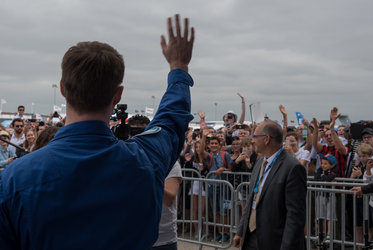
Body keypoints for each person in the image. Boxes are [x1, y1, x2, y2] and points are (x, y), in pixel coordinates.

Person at [0, 14, 195, 249]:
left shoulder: (13, 180)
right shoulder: (145, 161)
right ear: (118, 95)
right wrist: (179, 67)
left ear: (62, 89)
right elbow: (172, 120)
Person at [233, 120, 306, 250]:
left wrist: (287, 246)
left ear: (266, 139)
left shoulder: (292, 167)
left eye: (254, 136)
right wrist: (241, 231)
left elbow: (295, 215)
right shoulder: (260, 162)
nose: (252, 140)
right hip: (252, 236)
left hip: (275, 240)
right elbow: (252, 200)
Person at [314, 153, 338, 239]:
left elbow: (328, 179)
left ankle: (329, 234)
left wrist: (322, 179)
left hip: (330, 196)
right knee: (321, 215)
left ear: (332, 165)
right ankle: (322, 233)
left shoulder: (334, 171)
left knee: (329, 215)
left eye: (325, 164)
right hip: (320, 195)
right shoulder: (320, 170)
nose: (323, 165)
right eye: (322, 163)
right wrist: (322, 178)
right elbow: (316, 179)